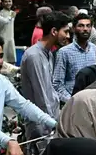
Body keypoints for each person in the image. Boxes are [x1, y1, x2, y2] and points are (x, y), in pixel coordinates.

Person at [20, 11, 69, 140]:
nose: (68, 36)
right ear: (54, 31)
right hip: (41, 125)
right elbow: (41, 95)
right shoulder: (34, 56)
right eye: (65, 32)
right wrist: (51, 123)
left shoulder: (49, 54)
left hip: (51, 120)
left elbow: (50, 89)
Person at [53, 14, 96, 102]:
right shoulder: (64, 52)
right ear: (73, 29)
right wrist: (72, 101)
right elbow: (57, 84)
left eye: (88, 26)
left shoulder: (93, 48)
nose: (85, 29)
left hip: (92, 100)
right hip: (73, 101)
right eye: (81, 26)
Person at [0, 0, 17, 64]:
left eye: (9, 1)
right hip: (2, 38)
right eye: (6, 1)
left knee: (12, 60)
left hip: (11, 38)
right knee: (3, 59)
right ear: (2, 3)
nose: (8, 3)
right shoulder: (0, 14)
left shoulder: (13, 13)